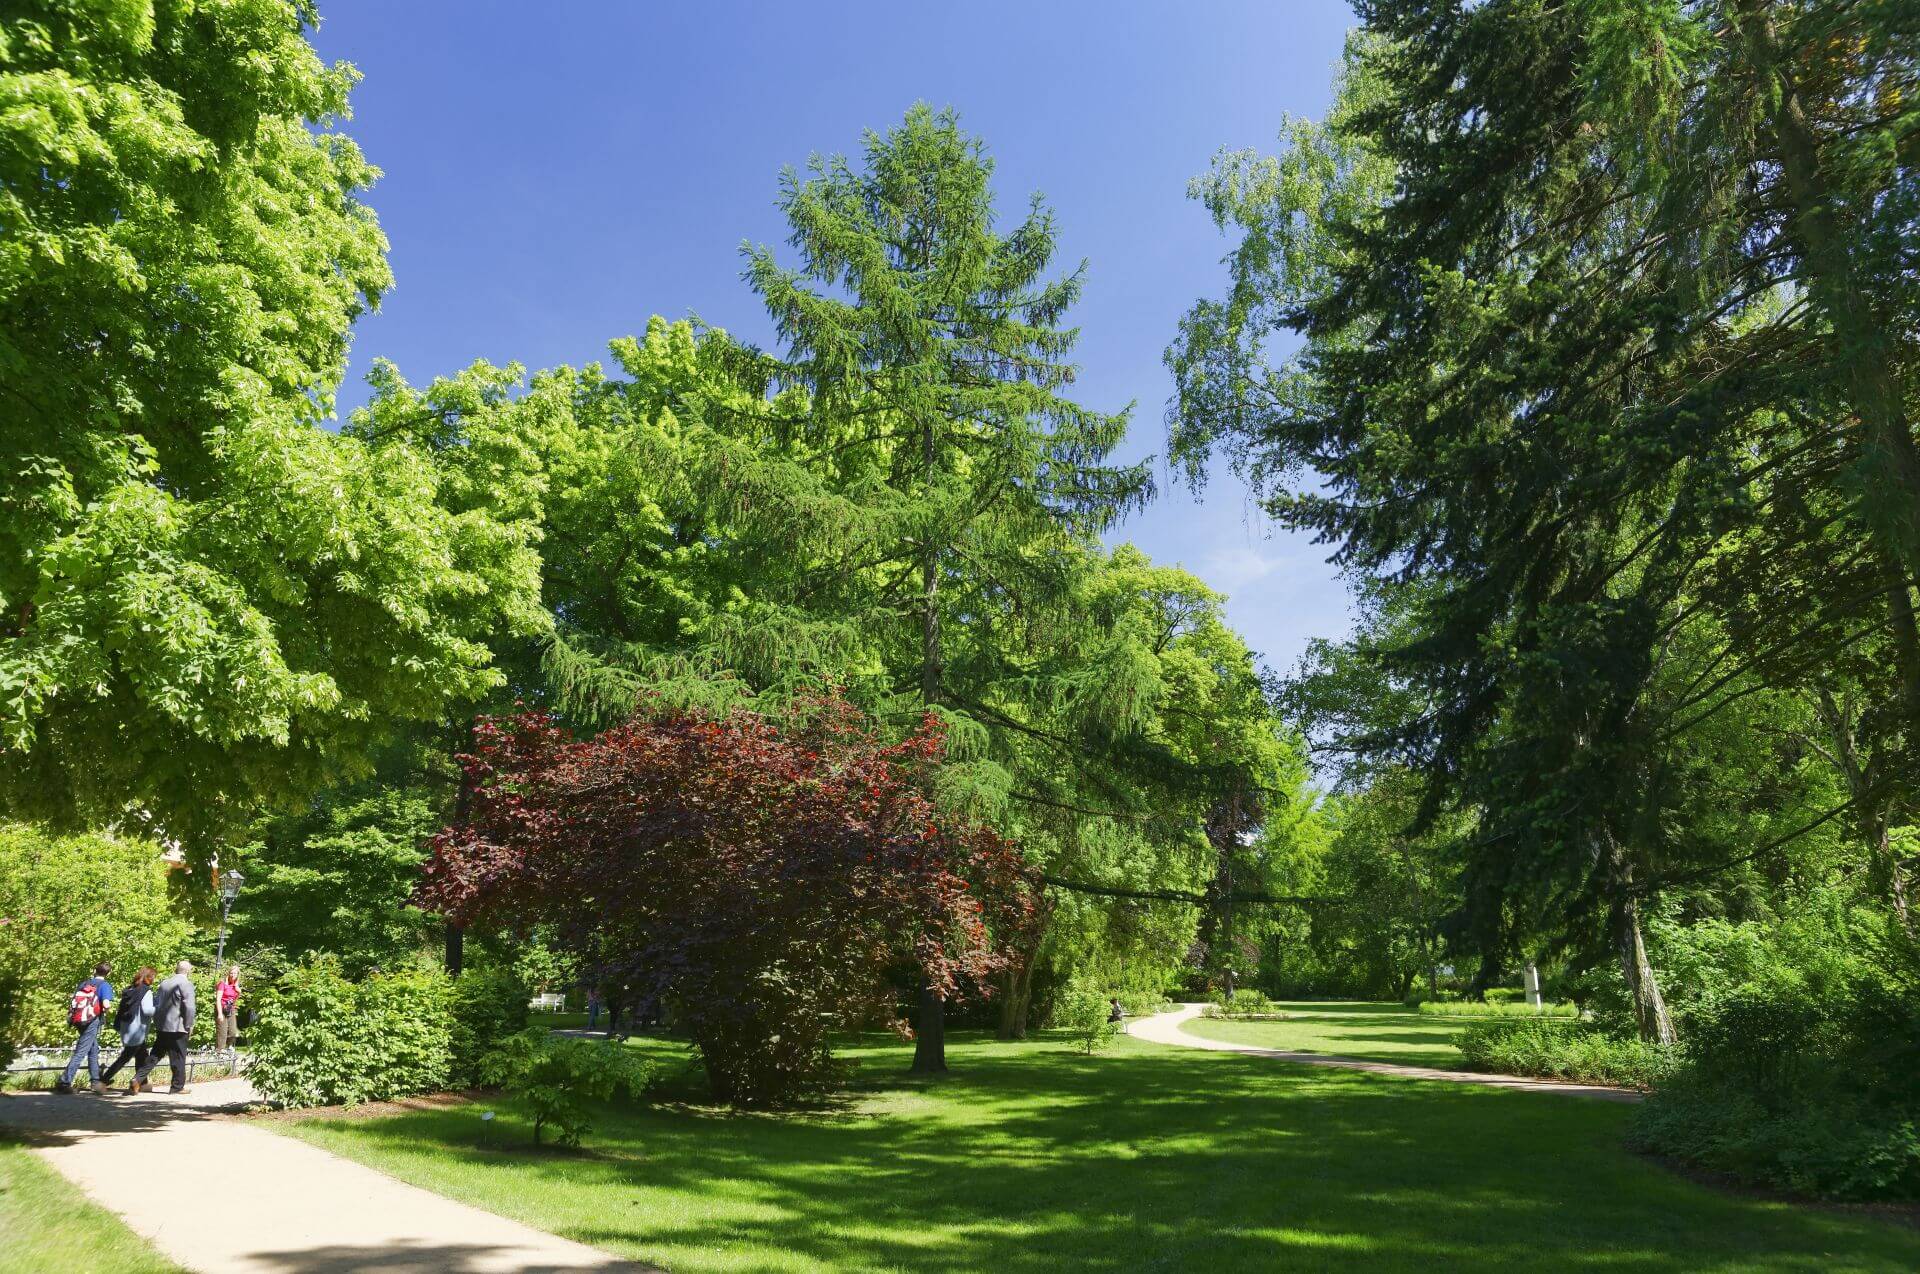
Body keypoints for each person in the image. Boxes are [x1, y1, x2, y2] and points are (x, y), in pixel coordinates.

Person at [53, 962, 115, 1095]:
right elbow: (106, 1004)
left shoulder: (84, 984)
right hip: (92, 1021)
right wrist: (107, 1010)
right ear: (108, 973)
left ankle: (95, 1081)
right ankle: (64, 1082)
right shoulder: (104, 985)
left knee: (93, 1050)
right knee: (81, 1051)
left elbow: (74, 1002)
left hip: (79, 1020)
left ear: (95, 971)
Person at [137, 960, 196, 1095]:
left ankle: (137, 1078)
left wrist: (158, 1021)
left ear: (176, 969)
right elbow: (190, 1007)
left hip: (163, 1025)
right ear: (188, 971)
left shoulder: (164, 983)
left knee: (155, 1055)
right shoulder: (186, 984)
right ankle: (177, 1087)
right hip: (178, 1026)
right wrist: (189, 1024)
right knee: (178, 1057)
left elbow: (157, 1003)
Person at [102, 967, 158, 1092]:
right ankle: (103, 1081)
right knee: (125, 1057)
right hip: (137, 1029)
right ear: (149, 977)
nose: (154, 980)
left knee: (142, 1055)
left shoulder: (130, 989)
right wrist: (159, 1009)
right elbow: (148, 1010)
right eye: (153, 977)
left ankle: (142, 1083)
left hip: (126, 1027)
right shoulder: (145, 991)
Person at [214, 965, 242, 1052]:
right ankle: (219, 1051)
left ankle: (229, 1047)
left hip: (230, 1009)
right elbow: (218, 999)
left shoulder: (235, 986)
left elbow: (235, 999)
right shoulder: (222, 984)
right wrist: (219, 1014)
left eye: (235, 973)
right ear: (228, 973)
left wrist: (239, 991)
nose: (233, 975)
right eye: (231, 973)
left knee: (233, 1032)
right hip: (221, 1008)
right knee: (222, 1032)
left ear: (237, 975)